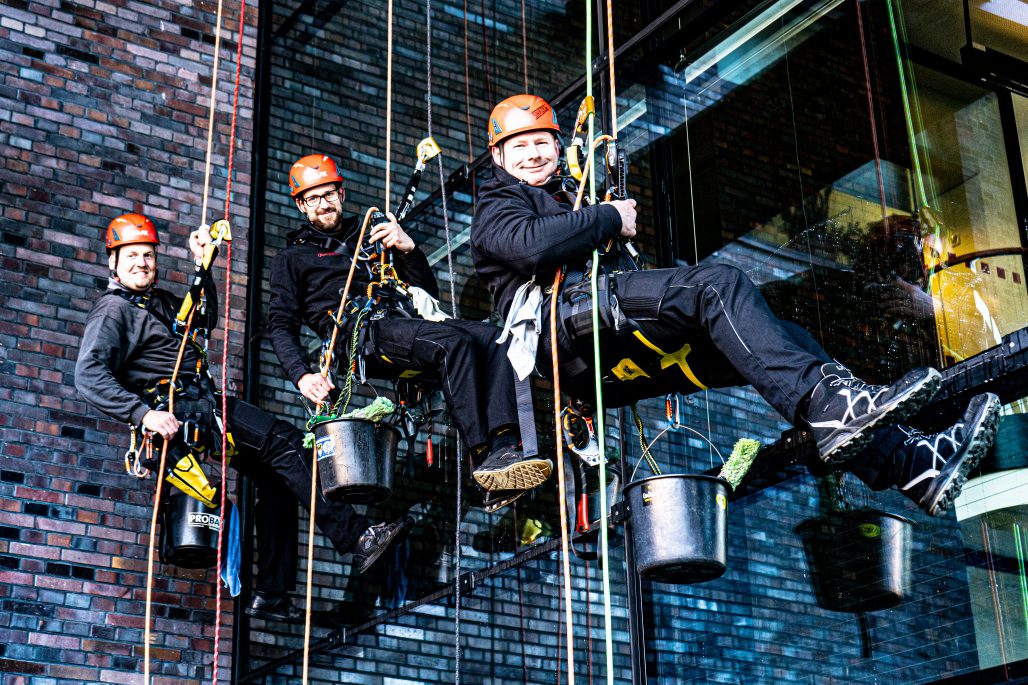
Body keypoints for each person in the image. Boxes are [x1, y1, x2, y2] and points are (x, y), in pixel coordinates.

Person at [468, 94, 1000, 516]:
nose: (535, 153)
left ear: (559, 147)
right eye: (521, 147)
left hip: (610, 348)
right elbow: (528, 245)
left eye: (543, 142)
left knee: (789, 338)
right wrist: (608, 218)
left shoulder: (568, 199)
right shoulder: (497, 201)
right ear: (498, 158)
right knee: (715, 285)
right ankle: (842, 412)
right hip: (562, 334)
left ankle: (914, 466)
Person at [75, 213, 413, 623]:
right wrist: (144, 415)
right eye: (132, 256)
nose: (142, 263)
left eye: (147, 255)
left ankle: (271, 593)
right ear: (113, 262)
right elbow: (89, 374)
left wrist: (205, 266)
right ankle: (357, 537)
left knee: (276, 476)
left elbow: (201, 323)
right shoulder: (112, 310)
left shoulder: (157, 302)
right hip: (185, 410)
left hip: (199, 408)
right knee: (285, 441)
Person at [266, 153, 551, 511]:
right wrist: (302, 375)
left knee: (498, 339)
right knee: (455, 345)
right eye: (313, 198)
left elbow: (425, 292)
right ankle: (483, 460)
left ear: (342, 194)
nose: (323, 204)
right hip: (361, 337)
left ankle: (506, 445)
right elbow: (280, 323)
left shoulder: (374, 233)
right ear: (301, 206)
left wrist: (408, 247)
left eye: (329, 194)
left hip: (403, 320)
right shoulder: (293, 259)